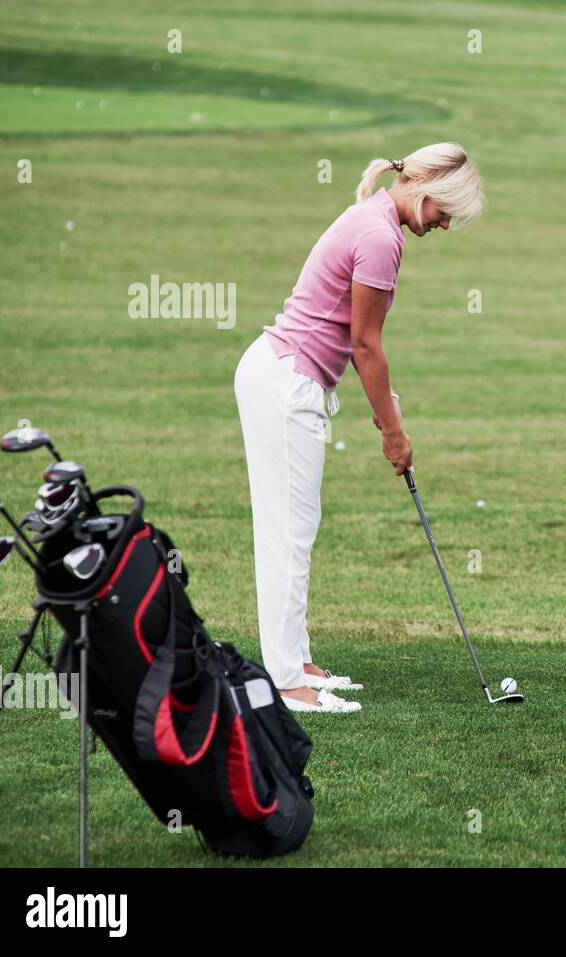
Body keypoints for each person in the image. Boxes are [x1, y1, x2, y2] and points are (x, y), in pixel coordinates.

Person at [234, 143, 485, 713]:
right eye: (446, 213)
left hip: (289, 378)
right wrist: (394, 433)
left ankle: (296, 661)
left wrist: (384, 406)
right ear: (428, 194)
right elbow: (364, 343)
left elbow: (356, 339)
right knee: (286, 534)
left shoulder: (375, 216)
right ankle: (282, 681)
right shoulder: (381, 237)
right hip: (285, 383)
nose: (445, 225)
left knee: (299, 526)